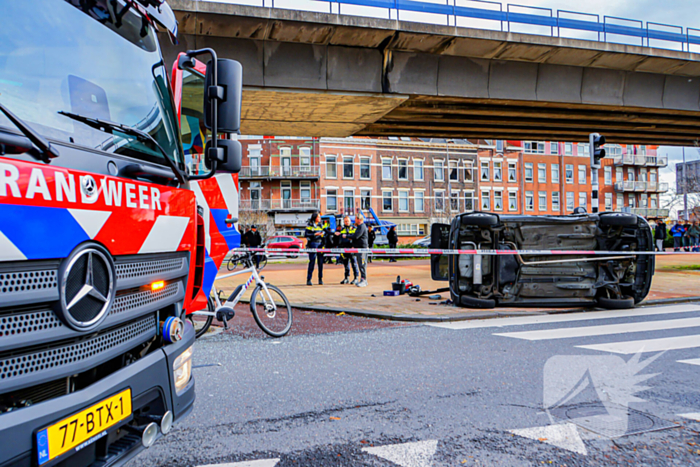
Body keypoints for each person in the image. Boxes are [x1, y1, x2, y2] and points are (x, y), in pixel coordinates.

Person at [335, 216, 359, 284]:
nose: (346, 222)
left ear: (350, 221)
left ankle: (356, 277)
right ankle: (346, 278)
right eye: (345, 221)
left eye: (348, 221)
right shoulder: (342, 229)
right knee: (345, 263)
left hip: (352, 248)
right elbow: (340, 238)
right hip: (344, 248)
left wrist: (354, 246)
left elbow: (356, 238)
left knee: (354, 263)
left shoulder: (354, 228)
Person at [348, 213, 369, 287]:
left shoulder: (361, 227)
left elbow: (356, 236)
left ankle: (364, 279)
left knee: (362, 264)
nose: (355, 220)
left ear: (359, 219)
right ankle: (363, 279)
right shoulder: (359, 227)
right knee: (360, 264)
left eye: (356, 219)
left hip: (362, 249)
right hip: (359, 248)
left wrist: (347, 236)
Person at [305, 212, 325, 286]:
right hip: (313, 244)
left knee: (320, 262)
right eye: (318, 217)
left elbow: (327, 232)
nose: (319, 218)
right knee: (312, 262)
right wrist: (314, 234)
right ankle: (309, 279)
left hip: (320, 244)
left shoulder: (321, 225)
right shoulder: (310, 225)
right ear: (315, 218)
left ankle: (320, 279)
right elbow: (306, 234)